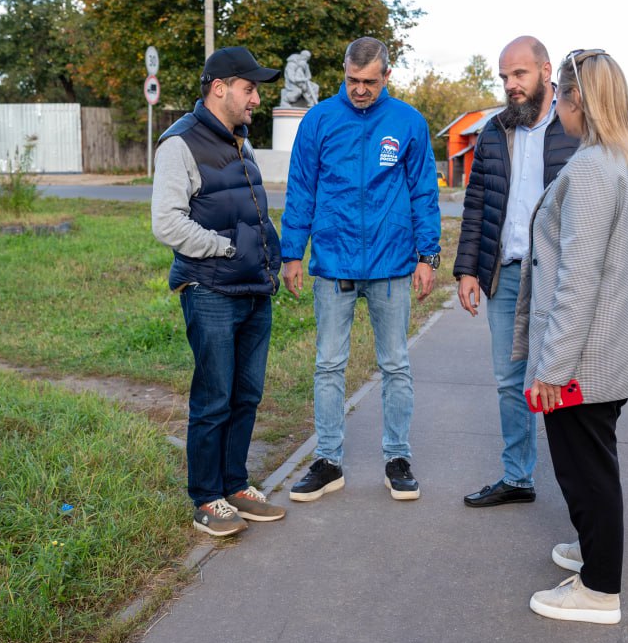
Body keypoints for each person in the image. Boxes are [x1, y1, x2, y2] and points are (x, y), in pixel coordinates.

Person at [512, 49, 628, 624]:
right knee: (595, 459)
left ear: (578, 101)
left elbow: (578, 279)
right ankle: (597, 547)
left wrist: (553, 369)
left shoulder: (595, 169)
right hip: (616, 346)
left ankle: (599, 589)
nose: (559, 110)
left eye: (562, 99)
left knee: (584, 468)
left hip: (583, 357)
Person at [281, 36, 442, 503]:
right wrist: (293, 252)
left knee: (395, 364)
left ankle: (397, 458)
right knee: (328, 364)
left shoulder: (408, 122)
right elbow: (301, 189)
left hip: (392, 265)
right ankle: (328, 461)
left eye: (369, 82)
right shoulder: (319, 120)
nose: (360, 90)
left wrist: (427, 256)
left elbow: (422, 194)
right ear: (344, 73)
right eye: (352, 80)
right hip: (334, 264)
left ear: (387, 76)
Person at [151, 46, 285, 537]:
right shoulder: (179, 144)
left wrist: (267, 251)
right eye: (249, 89)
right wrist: (226, 249)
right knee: (214, 397)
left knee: (246, 394)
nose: (255, 99)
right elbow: (166, 223)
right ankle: (206, 497)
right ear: (220, 87)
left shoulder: (239, 141)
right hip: (210, 290)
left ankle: (234, 484)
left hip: (252, 288)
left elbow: (252, 211)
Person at [453, 36, 579, 508]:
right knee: (510, 380)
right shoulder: (493, 132)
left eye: (519, 74)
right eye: (504, 76)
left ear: (546, 71)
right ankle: (517, 476)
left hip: (558, 275)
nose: (511, 85)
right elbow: (477, 205)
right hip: (505, 274)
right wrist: (468, 270)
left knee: (565, 379)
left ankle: (578, 483)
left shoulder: (574, 129)